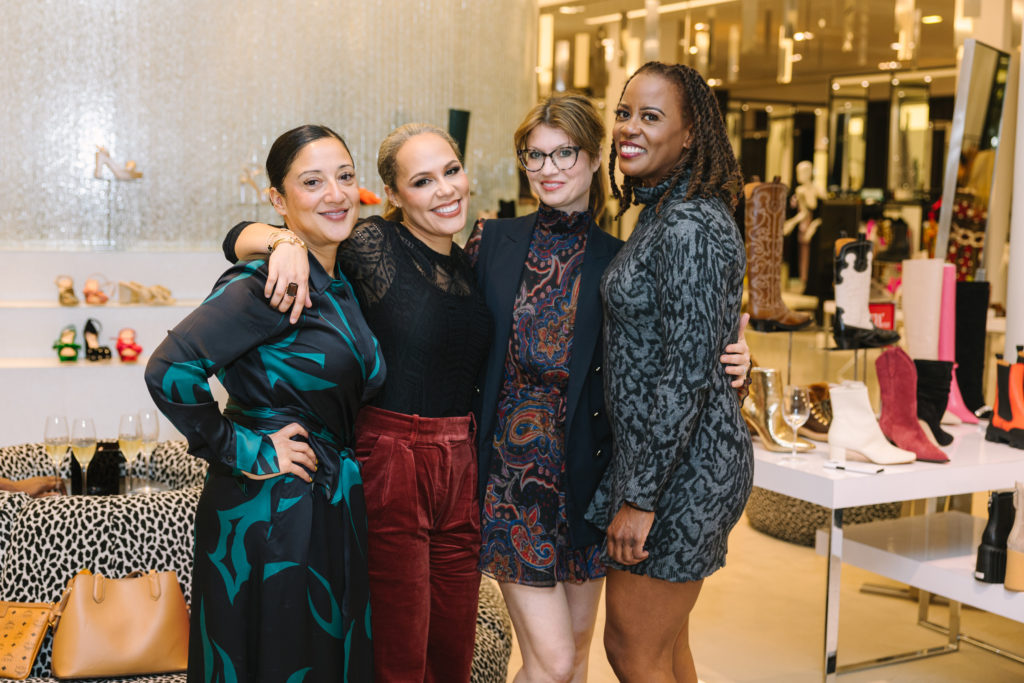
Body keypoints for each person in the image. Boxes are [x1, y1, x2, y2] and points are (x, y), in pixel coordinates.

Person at [468, 93, 751, 683]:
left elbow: (666, 351)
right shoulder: (490, 241)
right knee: (553, 662)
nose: (548, 169)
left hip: (589, 479)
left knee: (576, 654)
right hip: (512, 480)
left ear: (596, 158)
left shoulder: (620, 261)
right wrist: (279, 238)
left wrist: (734, 360)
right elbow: (440, 323)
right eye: (534, 155)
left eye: (564, 153)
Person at [222, 123, 491, 682]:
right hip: (394, 459)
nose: (444, 189)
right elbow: (236, 237)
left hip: (461, 465)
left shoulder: (470, 260)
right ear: (392, 194)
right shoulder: (372, 244)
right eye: (422, 180)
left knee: (452, 652)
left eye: (451, 171)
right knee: (399, 651)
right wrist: (283, 241)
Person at [146, 124, 382, 681]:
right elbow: (169, 369)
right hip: (274, 509)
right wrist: (247, 449)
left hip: (324, 498)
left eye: (345, 176)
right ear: (278, 199)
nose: (335, 194)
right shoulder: (267, 282)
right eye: (312, 182)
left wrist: (284, 240)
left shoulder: (338, 279)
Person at [585, 62, 754, 683]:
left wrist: (640, 499)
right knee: (665, 649)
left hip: (683, 471)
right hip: (667, 462)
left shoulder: (688, 223)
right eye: (624, 113)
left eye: (650, 116)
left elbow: (685, 375)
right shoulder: (664, 212)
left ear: (689, 135)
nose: (629, 128)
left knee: (633, 649)